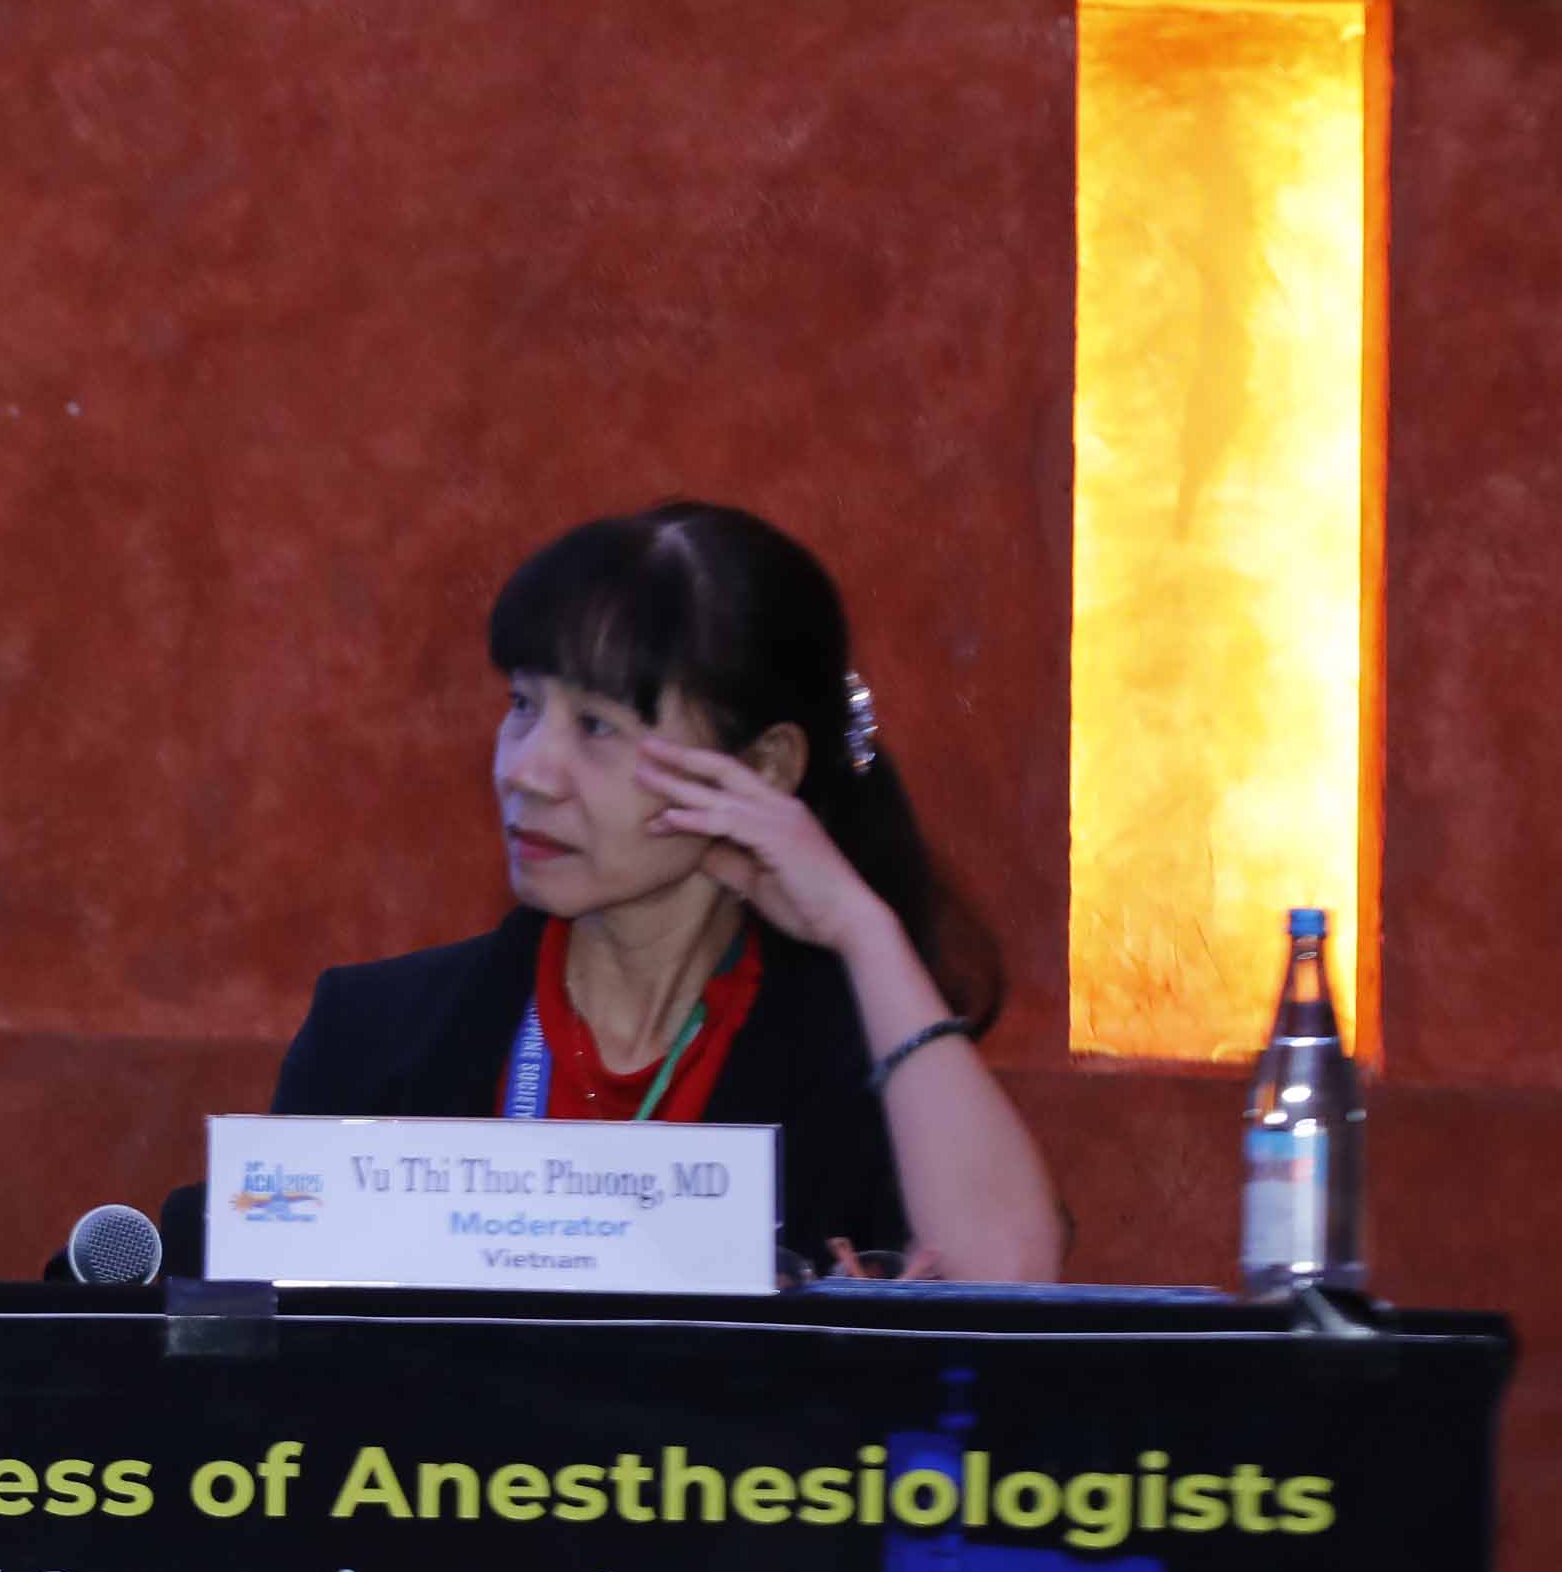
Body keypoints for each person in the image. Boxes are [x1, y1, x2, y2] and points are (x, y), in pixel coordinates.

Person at [177, 501, 1063, 1282]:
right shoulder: (377, 1037)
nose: (526, 771)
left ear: (763, 767)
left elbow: (1006, 1283)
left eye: (597, 727)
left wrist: (862, 930)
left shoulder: (865, 1078)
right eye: (522, 705)